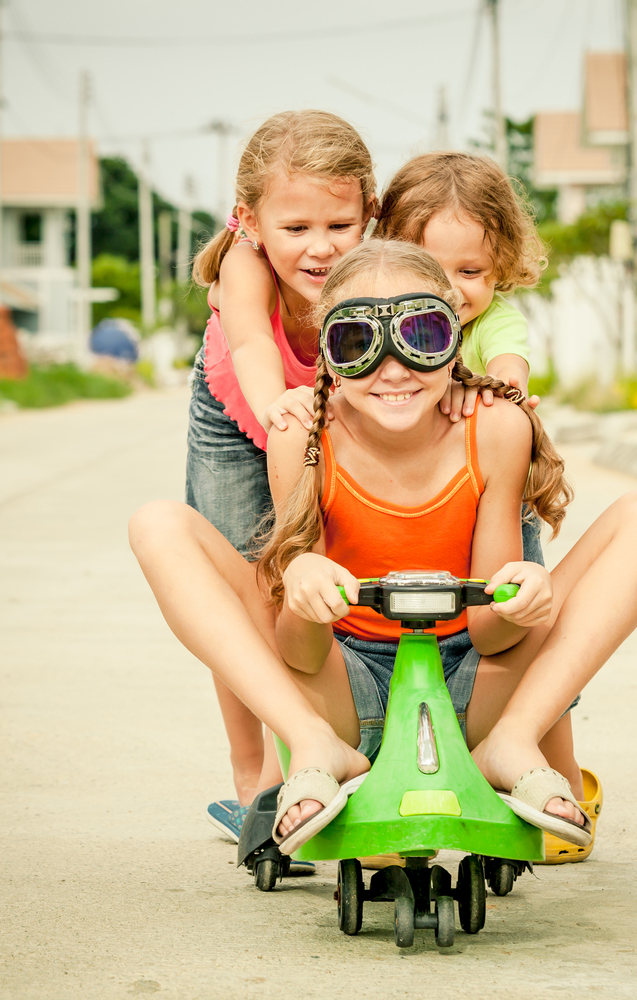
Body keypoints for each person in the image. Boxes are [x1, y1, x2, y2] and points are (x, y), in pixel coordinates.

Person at [129, 240, 637, 861]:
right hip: (342, 691)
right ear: (328, 354)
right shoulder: (304, 436)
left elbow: (492, 637)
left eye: (420, 334)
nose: (393, 370)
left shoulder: (497, 427)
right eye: (356, 343)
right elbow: (299, 652)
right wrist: (304, 588)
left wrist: (525, 596)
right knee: (159, 525)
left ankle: (514, 740)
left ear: (455, 334)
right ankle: (310, 743)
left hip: (473, 689)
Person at [185, 110, 376, 839]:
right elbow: (253, 352)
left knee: (314, 583)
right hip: (240, 412)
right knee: (243, 584)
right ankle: (254, 779)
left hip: (321, 412)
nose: (321, 248)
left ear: (371, 212)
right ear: (249, 222)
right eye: (296, 229)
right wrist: (281, 417)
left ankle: (326, 745)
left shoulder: (375, 267)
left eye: (341, 225)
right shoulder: (244, 262)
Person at [375, 151, 547, 565]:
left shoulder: (494, 318)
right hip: (404, 478)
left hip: (483, 476)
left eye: (469, 272)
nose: (448, 291)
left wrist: (504, 389)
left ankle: (518, 602)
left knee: (511, 563)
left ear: (500, 263)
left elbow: (508, 363)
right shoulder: (381, 318)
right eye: (428, 269)